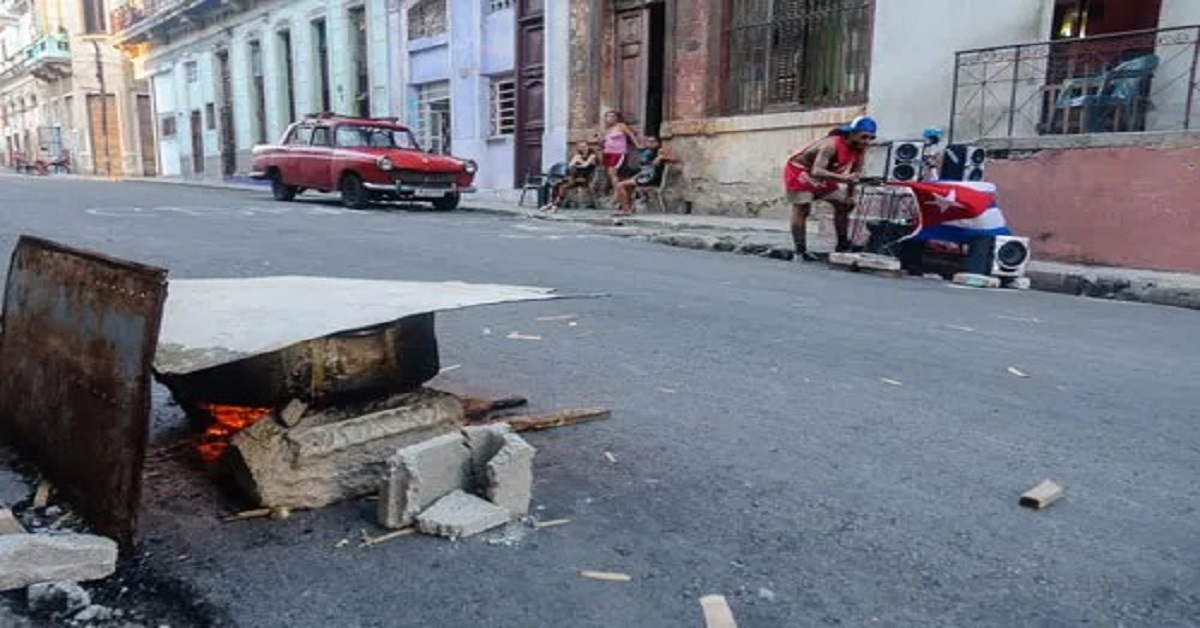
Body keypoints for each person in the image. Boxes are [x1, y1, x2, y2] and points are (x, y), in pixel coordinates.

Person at [782, 116, 877, 261]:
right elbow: (816, 171)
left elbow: (855, 175)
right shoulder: (830, 145)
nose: (867, 142)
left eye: (871, 138)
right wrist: (843, 179)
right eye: (864, 137)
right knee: (802, 209)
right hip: (801, 172)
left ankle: (842, 245)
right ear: (851, 134)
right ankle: (800, 251)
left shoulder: (860, 149)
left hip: (826, 175)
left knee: (844, 204)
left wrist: (849, 195)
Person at [613, 136, 675, 216]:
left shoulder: (660, 151)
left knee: (620, 186)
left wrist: (661, 157)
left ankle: (626, 210)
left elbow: (675, 159)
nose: (650, 144)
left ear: (657, 143)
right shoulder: (646, 153)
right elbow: (644, 169)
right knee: (625, 185)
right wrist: (635, 177)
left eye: (653, 142)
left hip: (651, 178)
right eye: (648, 142)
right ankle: (629, 207)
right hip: (643, 177)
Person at [540, 141, 599, 213]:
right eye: (581, 147)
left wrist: (578, 161)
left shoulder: (592, 156)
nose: (583, 148)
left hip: (585, 178)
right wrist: (576, 160)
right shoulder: (578, 155)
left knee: (563, 186)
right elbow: (570, 166)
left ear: (588, 147)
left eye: (584, 146)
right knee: (557, 185)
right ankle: (552, 204)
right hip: (574, 177)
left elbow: (585, 165)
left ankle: (555, 205)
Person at [601, 111, 641, 198]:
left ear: (617, 118)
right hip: (608, 153)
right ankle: (619, 192)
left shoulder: (621, 126)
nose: (610, 118)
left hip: (618, 153)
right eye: (608, 117)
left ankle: (617, 193)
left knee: (612, 173)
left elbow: (631, 135)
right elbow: (603, 143)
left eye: (613, 116)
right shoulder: (606, 130)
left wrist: (637, 145)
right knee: (612, 174)